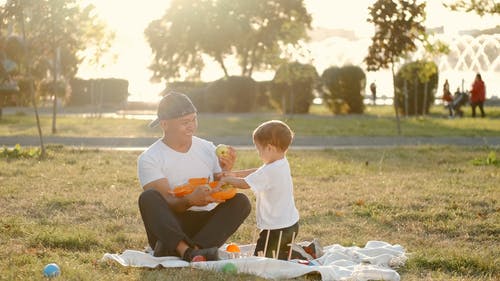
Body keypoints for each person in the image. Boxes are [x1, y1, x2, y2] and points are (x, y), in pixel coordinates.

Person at [137, 91, 251, 262]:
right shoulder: (150, 158)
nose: (191, 126)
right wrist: (190, 200)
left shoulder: (206, 148)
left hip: (205, 226)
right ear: (165, 124)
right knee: (148, 198)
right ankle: (183, 249)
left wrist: (226, 171)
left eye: (194, 119)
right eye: (185, 122)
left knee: (241, 202)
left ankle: (194, 251)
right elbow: (169, 202)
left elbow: (219, 187)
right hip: (171, 225)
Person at [218, 120, 300, 260]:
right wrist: (235, 174)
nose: (258, 153)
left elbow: (245, 184)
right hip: (289, 224)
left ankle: (299, 254)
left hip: (277, 229)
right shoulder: (280, 163)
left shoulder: (270, 171)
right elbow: (257, 172)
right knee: (277, 251)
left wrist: (227, 180)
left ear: (269, 148)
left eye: (259, 149)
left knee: (261, 258)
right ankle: (294, 252)